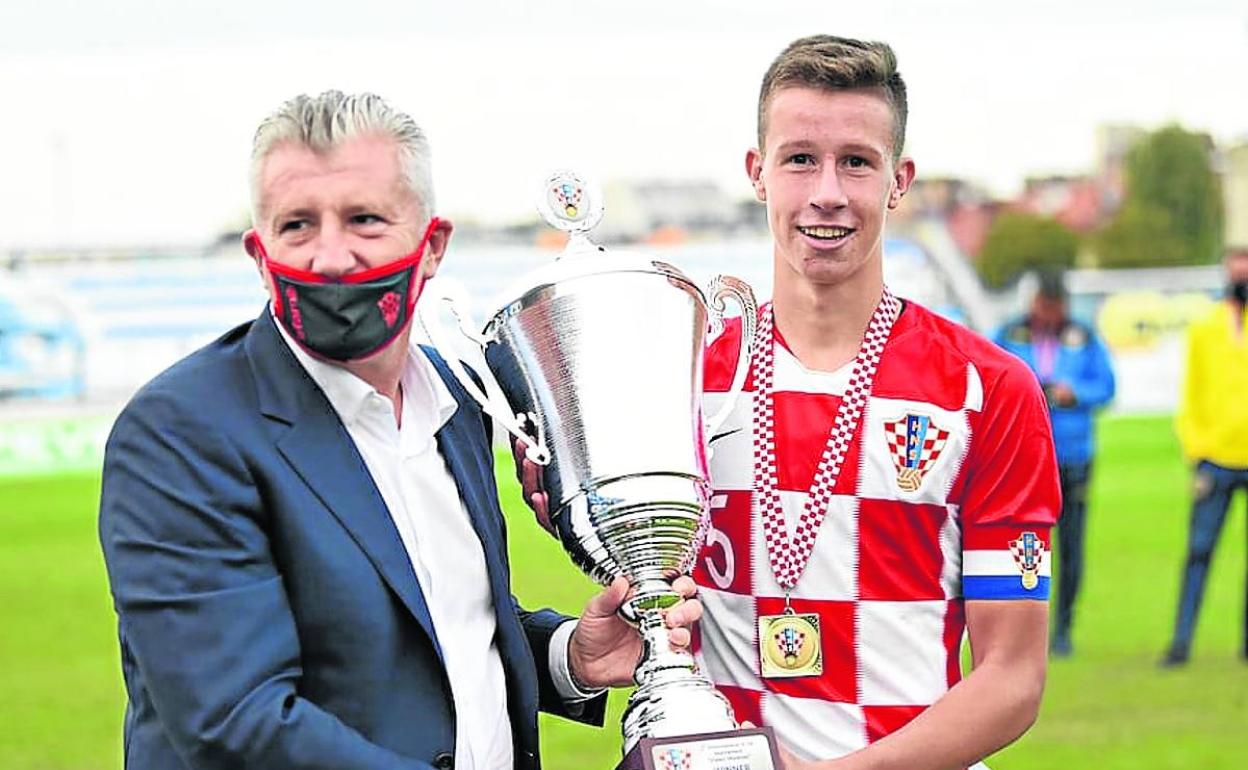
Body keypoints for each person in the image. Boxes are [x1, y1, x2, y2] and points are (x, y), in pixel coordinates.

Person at [97, 90, 701, 770]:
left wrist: (571, 658)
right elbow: (237, 722)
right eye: (297, 226)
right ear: (259, 253)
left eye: (364, 219)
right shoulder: (181, 432)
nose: (330, 258)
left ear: (432, 244)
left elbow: (436, 628)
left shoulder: (458, 400)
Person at [522, 34, 1060, 770]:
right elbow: (649, 582)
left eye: (857, 162)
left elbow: (1014, 678)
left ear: (898, 181)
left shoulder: (987, 389)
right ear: (758, 172)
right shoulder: (679, 378)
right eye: (800, 158)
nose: (828, 192)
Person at [993, 270, 1116, 656]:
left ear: (1063, 305)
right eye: (1041, 305)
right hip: (1022, 457)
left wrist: (1072, 393)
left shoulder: (1083, 336)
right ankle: (1015, 630)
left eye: (1053, 306)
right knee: (1018, 547)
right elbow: (988, 377)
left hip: (1073, 455)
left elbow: (1107, 387)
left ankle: (1063, 629)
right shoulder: (1011, 334)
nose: (1046, 313)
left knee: (1072, 547)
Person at [1160, 245, 1248, 667]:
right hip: (1214, 458)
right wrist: (1196, 452)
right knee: (1199, 551)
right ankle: (1182, 641)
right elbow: (1191, 394)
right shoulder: (1206, 328)